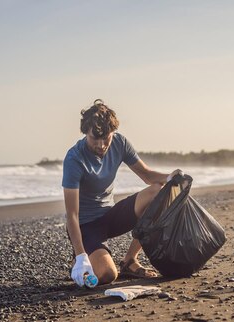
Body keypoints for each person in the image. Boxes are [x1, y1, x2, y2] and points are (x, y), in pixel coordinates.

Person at [62, 99, 182, 287]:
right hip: (86, 226)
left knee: (157, 192)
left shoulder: (119, 143)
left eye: (106, 138)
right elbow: (72, 215)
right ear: (85, 133)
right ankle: (81, 263)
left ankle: (130, 261)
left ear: (113, 133)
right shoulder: (74, 159)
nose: (102, 145)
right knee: (108, 275)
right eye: (95, 139)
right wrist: (80, 256)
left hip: (110, 216)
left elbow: (148, 175)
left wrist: (171, 177)